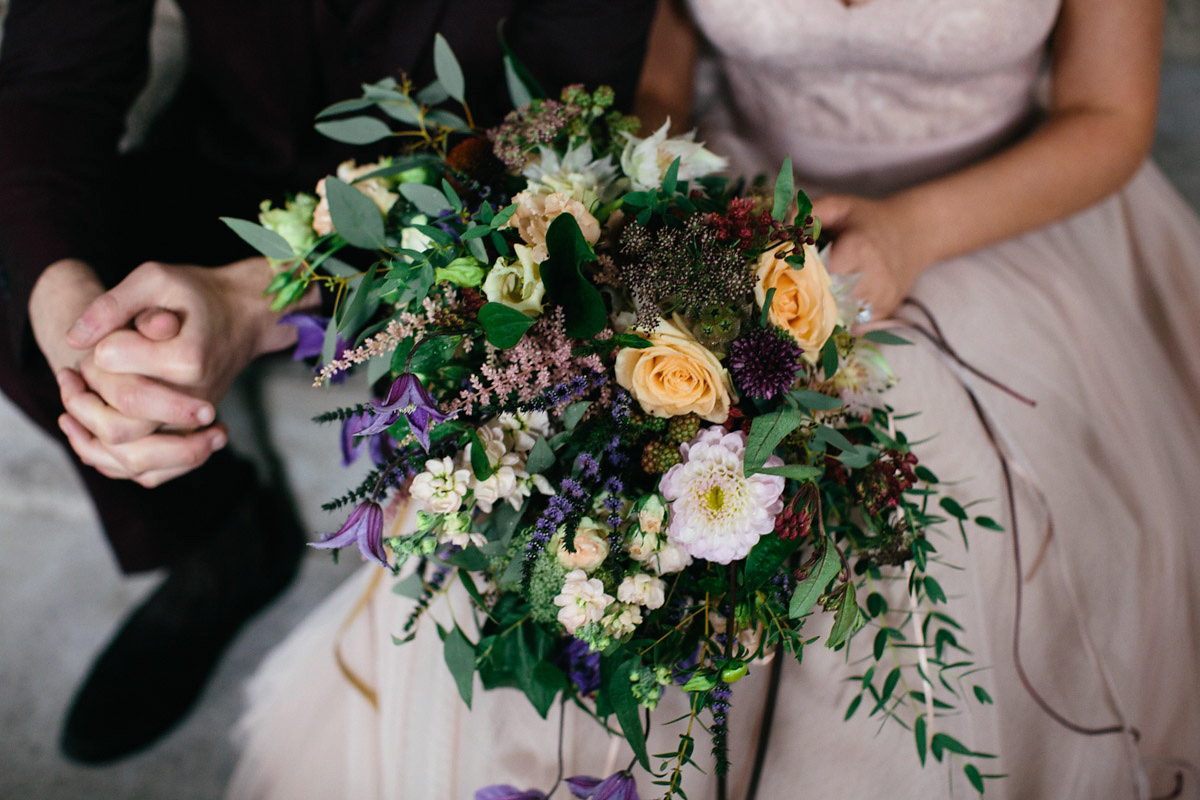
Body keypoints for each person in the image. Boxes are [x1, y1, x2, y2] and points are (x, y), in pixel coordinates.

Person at [223, 0, 1200, 798]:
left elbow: (1111, 116)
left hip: (994, 208)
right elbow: (657, 81)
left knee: (932, 500)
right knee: (593, 486)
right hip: (736, 199)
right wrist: (651, 226)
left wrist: (913, 231)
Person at [0, 0, 657, 765]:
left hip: (458, 227)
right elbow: (51, 79)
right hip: (223, 167)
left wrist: (265, 296)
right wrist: (65, 308)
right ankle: (218, 537)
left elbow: (556, 155)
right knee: (22, 252)